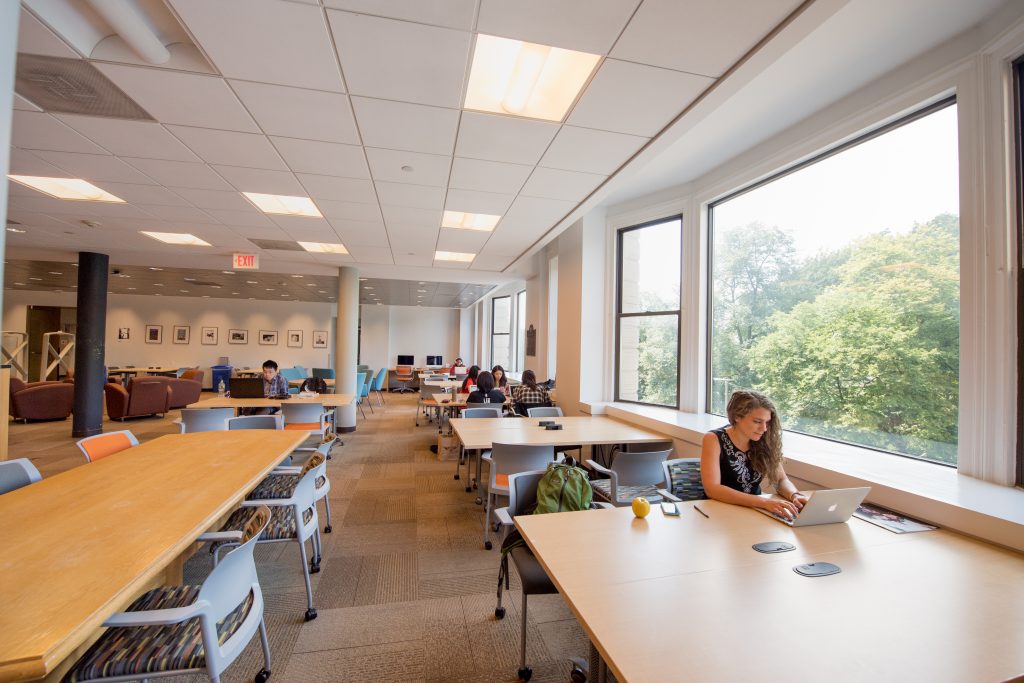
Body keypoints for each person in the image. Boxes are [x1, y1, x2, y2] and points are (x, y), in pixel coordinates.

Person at [700, 390, 808, 519]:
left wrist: (794, 495)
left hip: (754, 511)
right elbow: (713, 489)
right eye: (757, 421)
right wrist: (764, 502)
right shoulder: (713, 439)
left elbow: (781, 480)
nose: (764, 428)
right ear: (737, 417)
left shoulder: (764, 440)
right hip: (717, 512)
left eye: (767, 422)